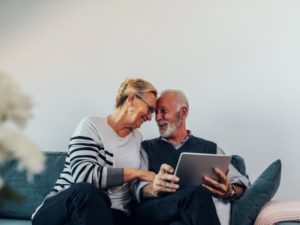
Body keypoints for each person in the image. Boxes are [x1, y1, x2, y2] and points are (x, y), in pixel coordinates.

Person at [32, 78, 158, 225]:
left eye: (152, 112)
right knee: (86, 191)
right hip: (65, 210)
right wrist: (137, 173)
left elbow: (139, 186)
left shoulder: (137, 138)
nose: (150, 117)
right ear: (131, 99)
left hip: (111, 215)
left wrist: (155, 184)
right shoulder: (92, 126)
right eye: (149, 109)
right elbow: (83, 176)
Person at [131, 90, 250, 225]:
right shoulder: (146, 148)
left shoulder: (211, 149)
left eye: (163, 111)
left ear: (183, 112)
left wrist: (230, 191)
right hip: (155, 211)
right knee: (198, 194)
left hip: (192, 215)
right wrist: (153, 188)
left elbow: (242, 184)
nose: (158, 117)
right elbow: (135, 188)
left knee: (193, 203)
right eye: (156, 112)